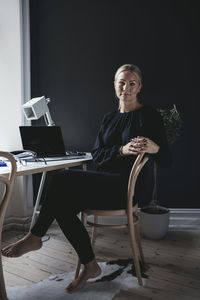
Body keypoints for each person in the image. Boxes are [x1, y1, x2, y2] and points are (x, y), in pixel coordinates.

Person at [2, 64, 171, 293]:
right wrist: (121, 150)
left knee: (61, 177)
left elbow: (167, 160)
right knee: (62, 206)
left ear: (139, 87)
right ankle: (90, 265)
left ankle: (35, 236)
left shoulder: (148, 116)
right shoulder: (109, 118)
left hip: (126, 189)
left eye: (132, 83)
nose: (126, 88)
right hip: (103, 184)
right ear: (114, 85)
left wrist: (154, 147)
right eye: (121, 82)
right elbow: (98, 158)